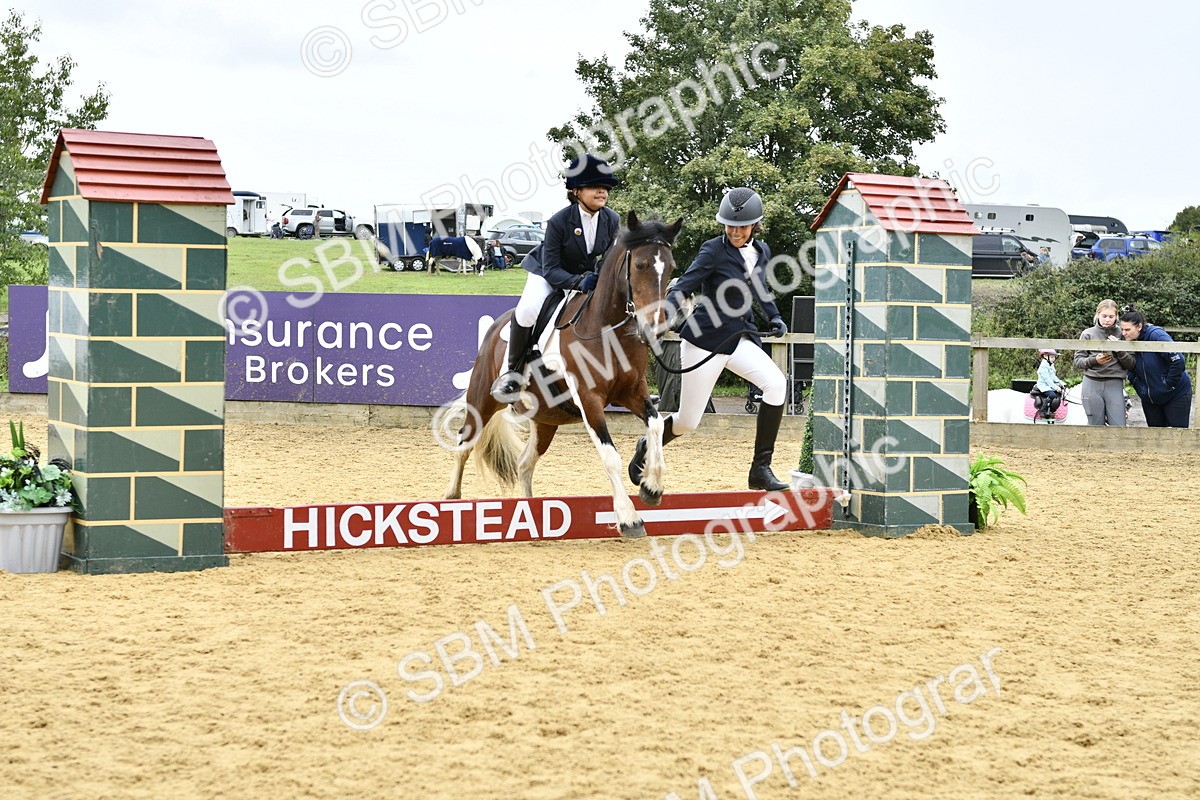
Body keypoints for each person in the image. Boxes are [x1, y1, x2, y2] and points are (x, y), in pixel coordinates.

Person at [628, 187, 790, 491]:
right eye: (730, 226)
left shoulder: (762, 251)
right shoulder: (713, 250)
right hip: (705, 340)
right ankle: (647, 444)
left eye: (742, 227)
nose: (735, 232)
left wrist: (775, 317)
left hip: (739, 338)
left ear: (755, 225)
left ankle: (760, 469)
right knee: (688, 421)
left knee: (776, 384)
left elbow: (760, 289)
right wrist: (666, 313)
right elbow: (684, 286)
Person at [490, 154, 621, 400]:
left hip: (585, 275)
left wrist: (600, 279)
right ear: (576, 191)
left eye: (605, 187)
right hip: (547, 273)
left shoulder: (612, 219)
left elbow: (610, 259)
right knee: (527, 310)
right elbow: (551, 269)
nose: (602, 191)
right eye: (594, 186)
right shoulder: (559, 221)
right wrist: (578, 282)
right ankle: (512, 374)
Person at [1120, 306, 1193, 428]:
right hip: (1150, 398)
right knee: (1155, 434)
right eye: (1122, 329)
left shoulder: (1156, 335)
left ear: (1139, 326)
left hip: (1176, 394)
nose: (1123, 333)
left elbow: (1178, 360)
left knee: (1178, 433)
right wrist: (1137, 384)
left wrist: (1168, 384)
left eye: (1127, 329)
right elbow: (1129, 365)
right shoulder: (1128, 339)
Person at [1074, 299, 1135, 425]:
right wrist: (1094, 360)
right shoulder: (1087, 334)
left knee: (1119, 426)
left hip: (1115, 383)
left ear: (1116, 316)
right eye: (1104, 316)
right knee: (1095, 426)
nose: (1107, 320)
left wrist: (1119, 350)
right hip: (1092, 382)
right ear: (1098, 314)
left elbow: (1131, 364)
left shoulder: (1123, 333)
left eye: (1111, 317)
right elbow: (1078, 362)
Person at [1033, 348, 1067, 419]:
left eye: (1054, 357)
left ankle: (1052, 409)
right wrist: (1055, 387)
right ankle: (1043, 410)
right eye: (1051, 357)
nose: (1053, 359)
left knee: (1059, 394)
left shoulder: (1050, 365)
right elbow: (1047, 379)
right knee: (1052, 395)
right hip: (1044, 385)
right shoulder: (1043, 366)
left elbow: (1053, 377)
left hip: (1049, 385)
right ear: (1045, 356)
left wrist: (1060, 382)